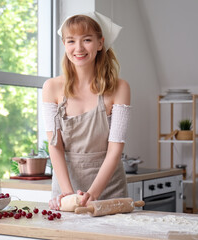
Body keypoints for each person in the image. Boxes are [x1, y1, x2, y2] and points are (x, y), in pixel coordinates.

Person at [42, 12, 131, 210]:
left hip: (109, 190)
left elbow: (115, 149)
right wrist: (67, 193)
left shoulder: (120, 88)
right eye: (71, 41)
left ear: (100, 43)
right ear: (64, 45)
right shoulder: (51, 88)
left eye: (87, 40)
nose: (79, 48)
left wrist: (93, 194)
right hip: (66, 188)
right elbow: (54, 146)